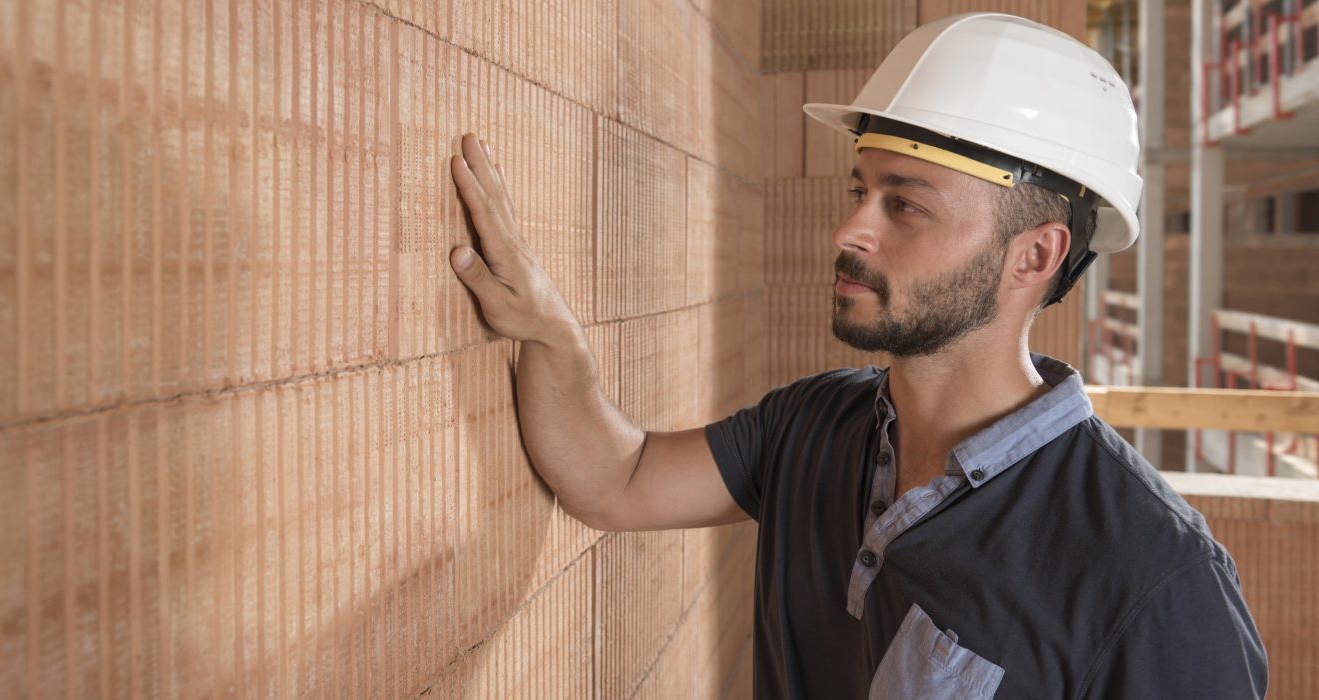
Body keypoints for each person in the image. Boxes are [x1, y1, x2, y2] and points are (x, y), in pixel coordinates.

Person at [446, 12, 1267, 699]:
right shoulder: (814, 424)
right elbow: (614, 480)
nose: (850, 231)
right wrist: (552, 334)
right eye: (858, 191)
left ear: (1035, 256)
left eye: (904, 205)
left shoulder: (1156, 580)